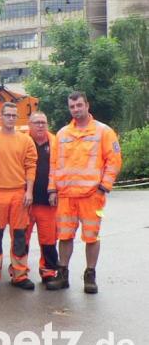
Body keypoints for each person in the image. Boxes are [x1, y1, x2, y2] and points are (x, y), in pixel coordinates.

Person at [46, 91, 122, 293]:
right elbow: (53, 164)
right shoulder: (62, 134)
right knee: (64, 236)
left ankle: (90, 276)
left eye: (79, 105)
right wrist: (52, 189)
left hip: (91, 197)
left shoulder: (103, 131)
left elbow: (114, 160)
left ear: (87, 105)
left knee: (91, 237)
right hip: (65, 197)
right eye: (72, 106)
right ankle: (62, 275)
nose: (76, 109)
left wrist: (104, 187)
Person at [0, 103, 37, 289]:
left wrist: (29, 191)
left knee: (20, 236)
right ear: (0, 116)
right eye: (7, 115)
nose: (11, 118)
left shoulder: (26, 141)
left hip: (18, 193)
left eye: (14, 115)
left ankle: (20, 274)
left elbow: (31, 166)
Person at [26, 111, 60, 284]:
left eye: (43, 122)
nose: (40, 125)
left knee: (48, 239)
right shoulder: (22, 141)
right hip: (26, 201)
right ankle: (19, 271)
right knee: (21, 239)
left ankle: (48, 271)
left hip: (47, 201)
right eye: (36, 122)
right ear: (29, 124)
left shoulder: (56, 142)